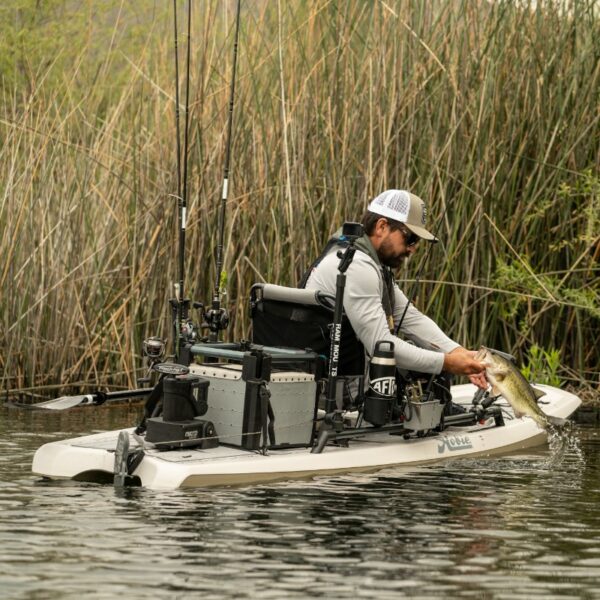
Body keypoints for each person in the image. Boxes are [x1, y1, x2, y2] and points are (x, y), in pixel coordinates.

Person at [302, 189, 487, 389]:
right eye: (411, 238)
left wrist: (457, 352)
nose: (413, 248)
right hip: (328, 392)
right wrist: (447, 363)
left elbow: (410, 318)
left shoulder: (371, 263)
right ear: (381, 226)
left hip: (347, 385)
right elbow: (381, 345)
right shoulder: (357, 265)